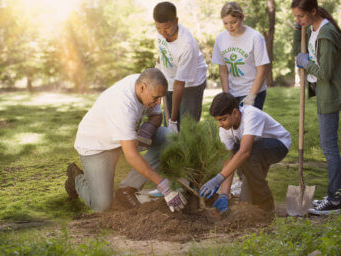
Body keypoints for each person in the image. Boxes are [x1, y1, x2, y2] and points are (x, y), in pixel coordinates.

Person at [66, 68, 186, 212]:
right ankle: (77, 178)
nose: (159, 102)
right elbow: (132, 156)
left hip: (124, 137)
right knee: (102, 205)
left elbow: (157, 116)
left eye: (161, 97)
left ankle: (127, 188)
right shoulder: (123, 105)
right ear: (142, 88)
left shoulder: (144, 84)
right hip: (97, 146)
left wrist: (147, 131)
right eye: (156, 97)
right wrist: (164, 186)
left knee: (167, 137)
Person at [199, 92, 291, 213]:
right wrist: (224, 195)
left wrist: (217, 179)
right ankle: (253, 186)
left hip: (278, 144)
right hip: (256, 149)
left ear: (235, 113)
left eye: (223, 119)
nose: (220, 124)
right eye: (217, 120)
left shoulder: (251, 115)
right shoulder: (224, 129)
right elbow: (228, 161)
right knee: (245, 202)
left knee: (245, 155)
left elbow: (245, 152)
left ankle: (265, 202)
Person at [292, 0, 341, 215]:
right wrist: (297, 31)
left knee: (329, 147)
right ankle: (334, 195)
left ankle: (334, 199)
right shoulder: (312, 29)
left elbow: (325, 73)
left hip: (331, 94)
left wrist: (306, 63)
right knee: (329, 146)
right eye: (295, 17)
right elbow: (299, 54)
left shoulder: (326, 34)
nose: (298, 20)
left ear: (313, 11)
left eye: (300, 16)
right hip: (323, 93)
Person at [153, 1, 207, 132]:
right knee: (170, 131)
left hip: (191, 84)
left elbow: (179, 83)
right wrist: (156, 83)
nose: (163, 32)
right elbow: (162, 55)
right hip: (170, 80)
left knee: (186, 128)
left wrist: (173, 119)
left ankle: (190, 150)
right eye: (158, 28)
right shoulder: (160, 33)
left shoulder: (186, 44)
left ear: (176, 21)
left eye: (167, 28)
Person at [211, 1, 270, 110]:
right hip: (233, 92)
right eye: (225, 23)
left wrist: (251, 96)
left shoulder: (255, 37)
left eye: (233, 22)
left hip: (253, 90)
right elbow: (223, 70)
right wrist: (226, 94)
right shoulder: (220, 39)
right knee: (233, 126)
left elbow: (262, 71)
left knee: (249, 125)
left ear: (242, 18)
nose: (229, 27)